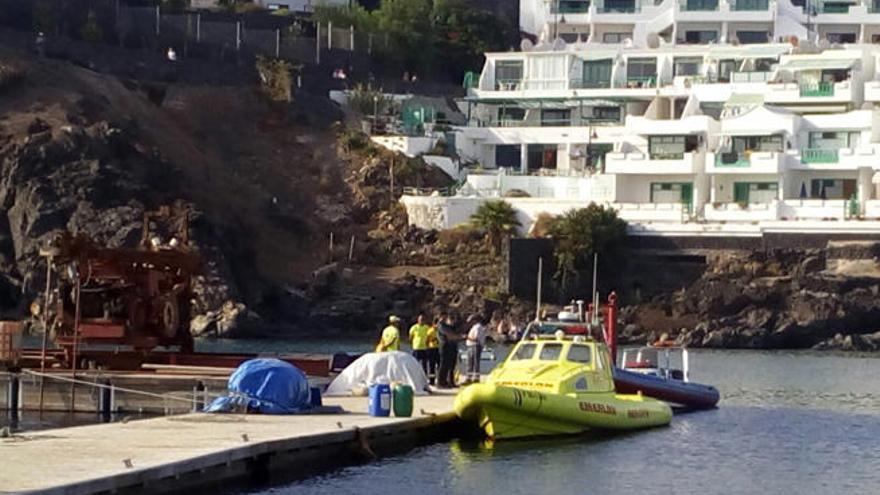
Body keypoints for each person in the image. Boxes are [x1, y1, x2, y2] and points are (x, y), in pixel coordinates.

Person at [436, 313, 460, 388]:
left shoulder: (447, 326)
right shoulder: (441, 325)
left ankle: (449, 381)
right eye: (443, 316)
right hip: (444, 346)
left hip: (450, 347)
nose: (445, 318)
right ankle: (440, 382)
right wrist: (460, 337)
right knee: (443, 365)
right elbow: (448, 334)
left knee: (451, 365)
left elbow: (453, 331)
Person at [465, 314, 487, 384]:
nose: (470, 322)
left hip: (475, 346)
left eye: (471, 320)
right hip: (472, 346)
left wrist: (466, 337)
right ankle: (470, 378)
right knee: (470, 363)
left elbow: (476, 339)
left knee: (473, 363)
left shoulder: (478, 327)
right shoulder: (475, 327)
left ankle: (474, 378)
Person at [426, 317, 441, 384]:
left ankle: (440, 379)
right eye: (437, 324)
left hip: (439, 348)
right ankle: (432, 380)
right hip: (432, 349)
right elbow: (427, 340)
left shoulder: (440, 331)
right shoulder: (430, 331)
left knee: (440, 365)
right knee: (432, 365)